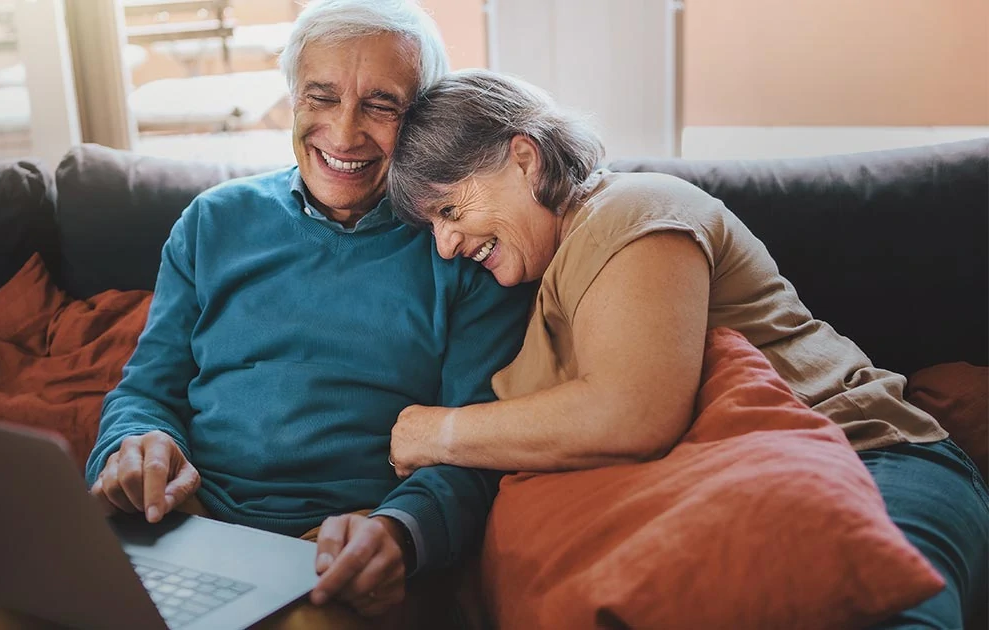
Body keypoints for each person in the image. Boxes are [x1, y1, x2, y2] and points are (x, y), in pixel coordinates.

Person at [0, 4, 529, 630]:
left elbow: (475, 453)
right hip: (185, 526)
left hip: (331, 550)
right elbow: (146, 387)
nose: (342, 134)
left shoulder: (464, 245)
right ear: (293, 100)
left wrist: (398, 532)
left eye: (381, 105)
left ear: (422, 115)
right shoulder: (215, 221)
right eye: (322, 96)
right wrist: (135, 444)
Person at [384, 68, 989, 628]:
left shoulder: (628, 212)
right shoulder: (555, 270)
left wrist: (432, 432)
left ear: (523, 158)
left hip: (865, 455)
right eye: (432, 224)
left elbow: (632, 413)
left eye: (449, 209)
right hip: (741, 493)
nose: (444, 244)